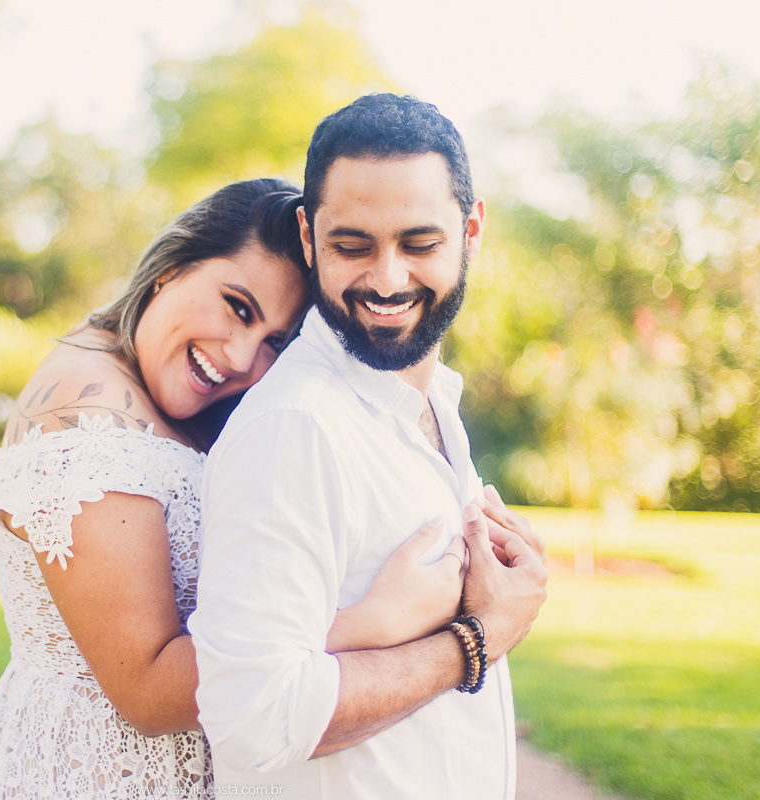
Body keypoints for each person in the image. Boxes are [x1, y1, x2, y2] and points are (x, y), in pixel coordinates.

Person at [0, 177, 471, 799]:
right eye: (237, 306)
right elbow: (148, 691)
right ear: (171, 268)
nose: (239, 356)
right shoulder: (86, 411)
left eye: (274, 344)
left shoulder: (176, 405)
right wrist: (376, 620)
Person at [189, 94, 550, 798]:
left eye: (420, 244)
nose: (387, 280)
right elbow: (252, 719)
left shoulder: (433, 400)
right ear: (307, 236)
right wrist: (475, 642)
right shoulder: (295, 428)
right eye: (353, 246)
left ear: (471, 230)